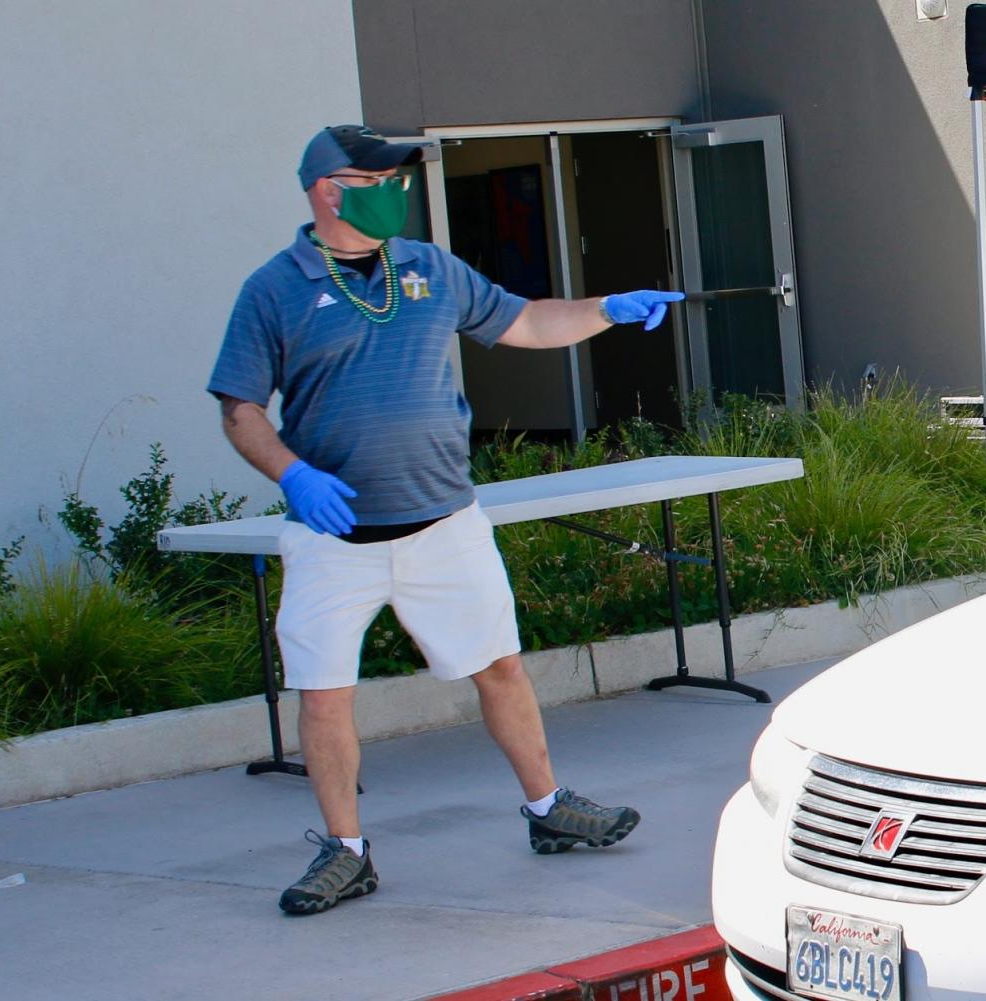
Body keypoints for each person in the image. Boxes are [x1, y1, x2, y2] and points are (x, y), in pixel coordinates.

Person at [208, 124, 682, 915]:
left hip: (444, 523)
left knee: (499, 665)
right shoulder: (274, 288)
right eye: (382, 177)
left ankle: (547, 808)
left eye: (402, 177)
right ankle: (345, 851)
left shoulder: (428, 267)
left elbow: (525, 322)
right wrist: (292, 474)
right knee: (324, 694)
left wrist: (605, 308)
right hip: (334, 537)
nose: (400, 190)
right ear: (330, 189)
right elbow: (239, 408)